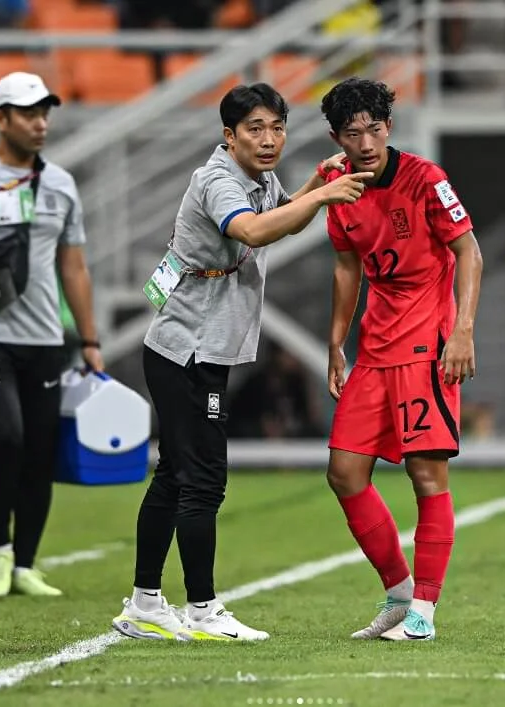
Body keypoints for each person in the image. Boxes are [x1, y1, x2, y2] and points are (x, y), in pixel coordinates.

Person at [111, 82, 372, 642]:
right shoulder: (215, 180)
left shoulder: (260, 179)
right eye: (255, 128)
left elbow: (282, 220)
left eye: (277, 127)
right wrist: (323, 197)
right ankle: (201, 609)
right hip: (187, 347)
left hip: (203, 343)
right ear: (228, 136)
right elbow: (251, 230)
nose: (269, 138)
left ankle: (145, 603)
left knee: (176, 474)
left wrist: (311, 186)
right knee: (203, 478)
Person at [320, 77, 483, 641]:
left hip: (426, 348)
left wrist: (461, 330)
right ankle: (397, 594)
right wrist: (337, 341)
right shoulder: (337, 189)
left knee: (426, 476)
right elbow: (347, 269)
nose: (365, 142)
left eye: (374, 128)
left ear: (389, 126)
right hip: (374, 348)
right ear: (336, 137)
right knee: (343, 472)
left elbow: (469, 251)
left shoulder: (425, 179)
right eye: (351, 133)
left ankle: (425, 613)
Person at [0, 71, 103, 597]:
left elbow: (73, 267)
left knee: (38, 448)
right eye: (28, 113)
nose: (40, 122)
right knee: (4, 435)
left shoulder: (60, 184)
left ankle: (26, 563)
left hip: (45, 340)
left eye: (45, 112)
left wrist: (91, 341)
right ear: (0, 118)